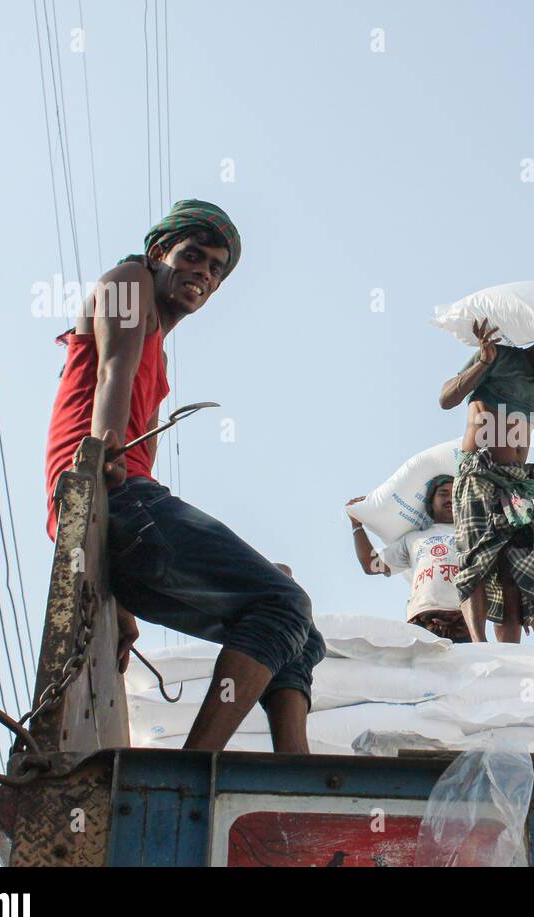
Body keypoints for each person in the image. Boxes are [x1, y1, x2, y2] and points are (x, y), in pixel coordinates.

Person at [43, 199, 323, 754]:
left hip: (121, 514)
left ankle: (297, 770)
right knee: (282, 602)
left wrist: (121, 606)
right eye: (192, 257)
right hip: (113, 493)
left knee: (299, 631)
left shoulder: (162, 360)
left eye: (217, 268)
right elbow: (111, 369)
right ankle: (197, 767)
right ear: (157, 254)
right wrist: (104, 453)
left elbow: (132, 415)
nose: (204, 273)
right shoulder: (128, 280)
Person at [438, 319, 534, 643]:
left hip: (517, 485)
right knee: (479, 557)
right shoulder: (501, 358)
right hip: (479, 471)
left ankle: (508, 654)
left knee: (516, 565)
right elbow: (447, 398)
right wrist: (483, 363)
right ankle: (479, 644)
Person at [345, 476, 473, 642]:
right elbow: (371, 565)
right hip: (422, 617)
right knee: (419, 667)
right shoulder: (412, 539)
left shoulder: (472, 536)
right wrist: (357, 526)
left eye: (454, 494)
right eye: (443, 493)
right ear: (431, 501)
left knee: (462, 667)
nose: (449, 499)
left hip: (462, 617)